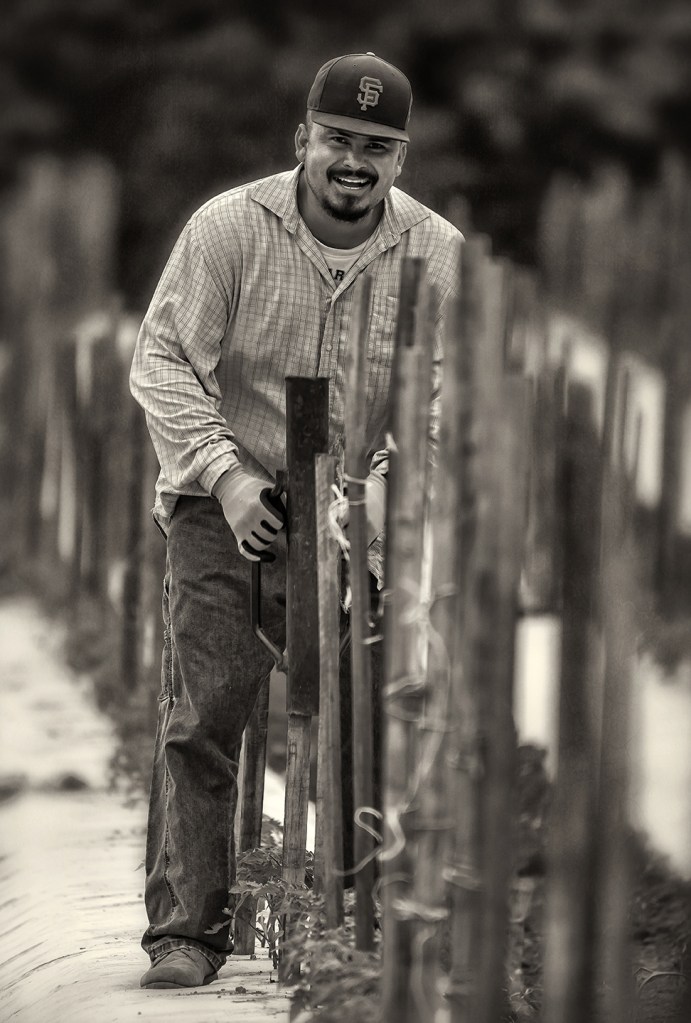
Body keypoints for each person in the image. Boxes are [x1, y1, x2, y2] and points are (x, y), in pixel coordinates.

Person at [130, 51, 462, 990]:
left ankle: (357, 928)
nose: (354, 162)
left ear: (401, 157)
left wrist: (383, 488)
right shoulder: (228, 228)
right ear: (302, 140)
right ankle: (187, 932)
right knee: (206, 713)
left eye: (376, 147)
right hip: (223, 496)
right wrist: (227, 476)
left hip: (363, 505)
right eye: (338, 140)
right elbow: (162, 360)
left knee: (365, 715)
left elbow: (448, 396)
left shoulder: (436, 253)